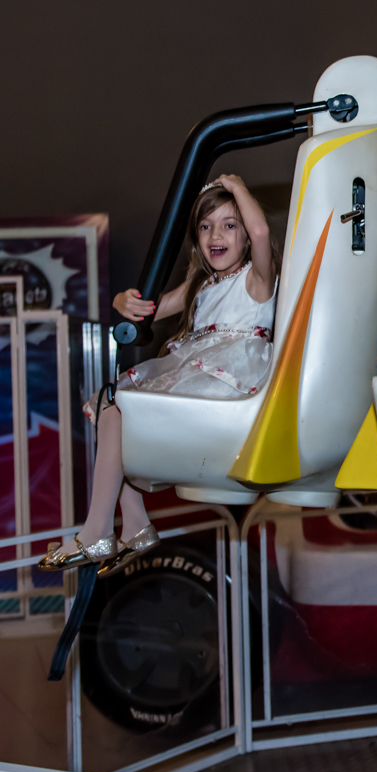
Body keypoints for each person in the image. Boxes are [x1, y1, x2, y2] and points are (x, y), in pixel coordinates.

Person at [40, 175, 277, 575]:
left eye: (228, 224)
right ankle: (134, 524)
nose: (216, 234)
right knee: (108, 406)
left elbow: (262, 230)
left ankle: (97, 530)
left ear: (245, 237)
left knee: (119, 407)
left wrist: (237, 187)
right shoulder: (200, 286)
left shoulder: (257, 281)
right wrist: (121, 299)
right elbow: (146, 309)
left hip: (226, 382)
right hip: (197, 370)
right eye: (205, 226)